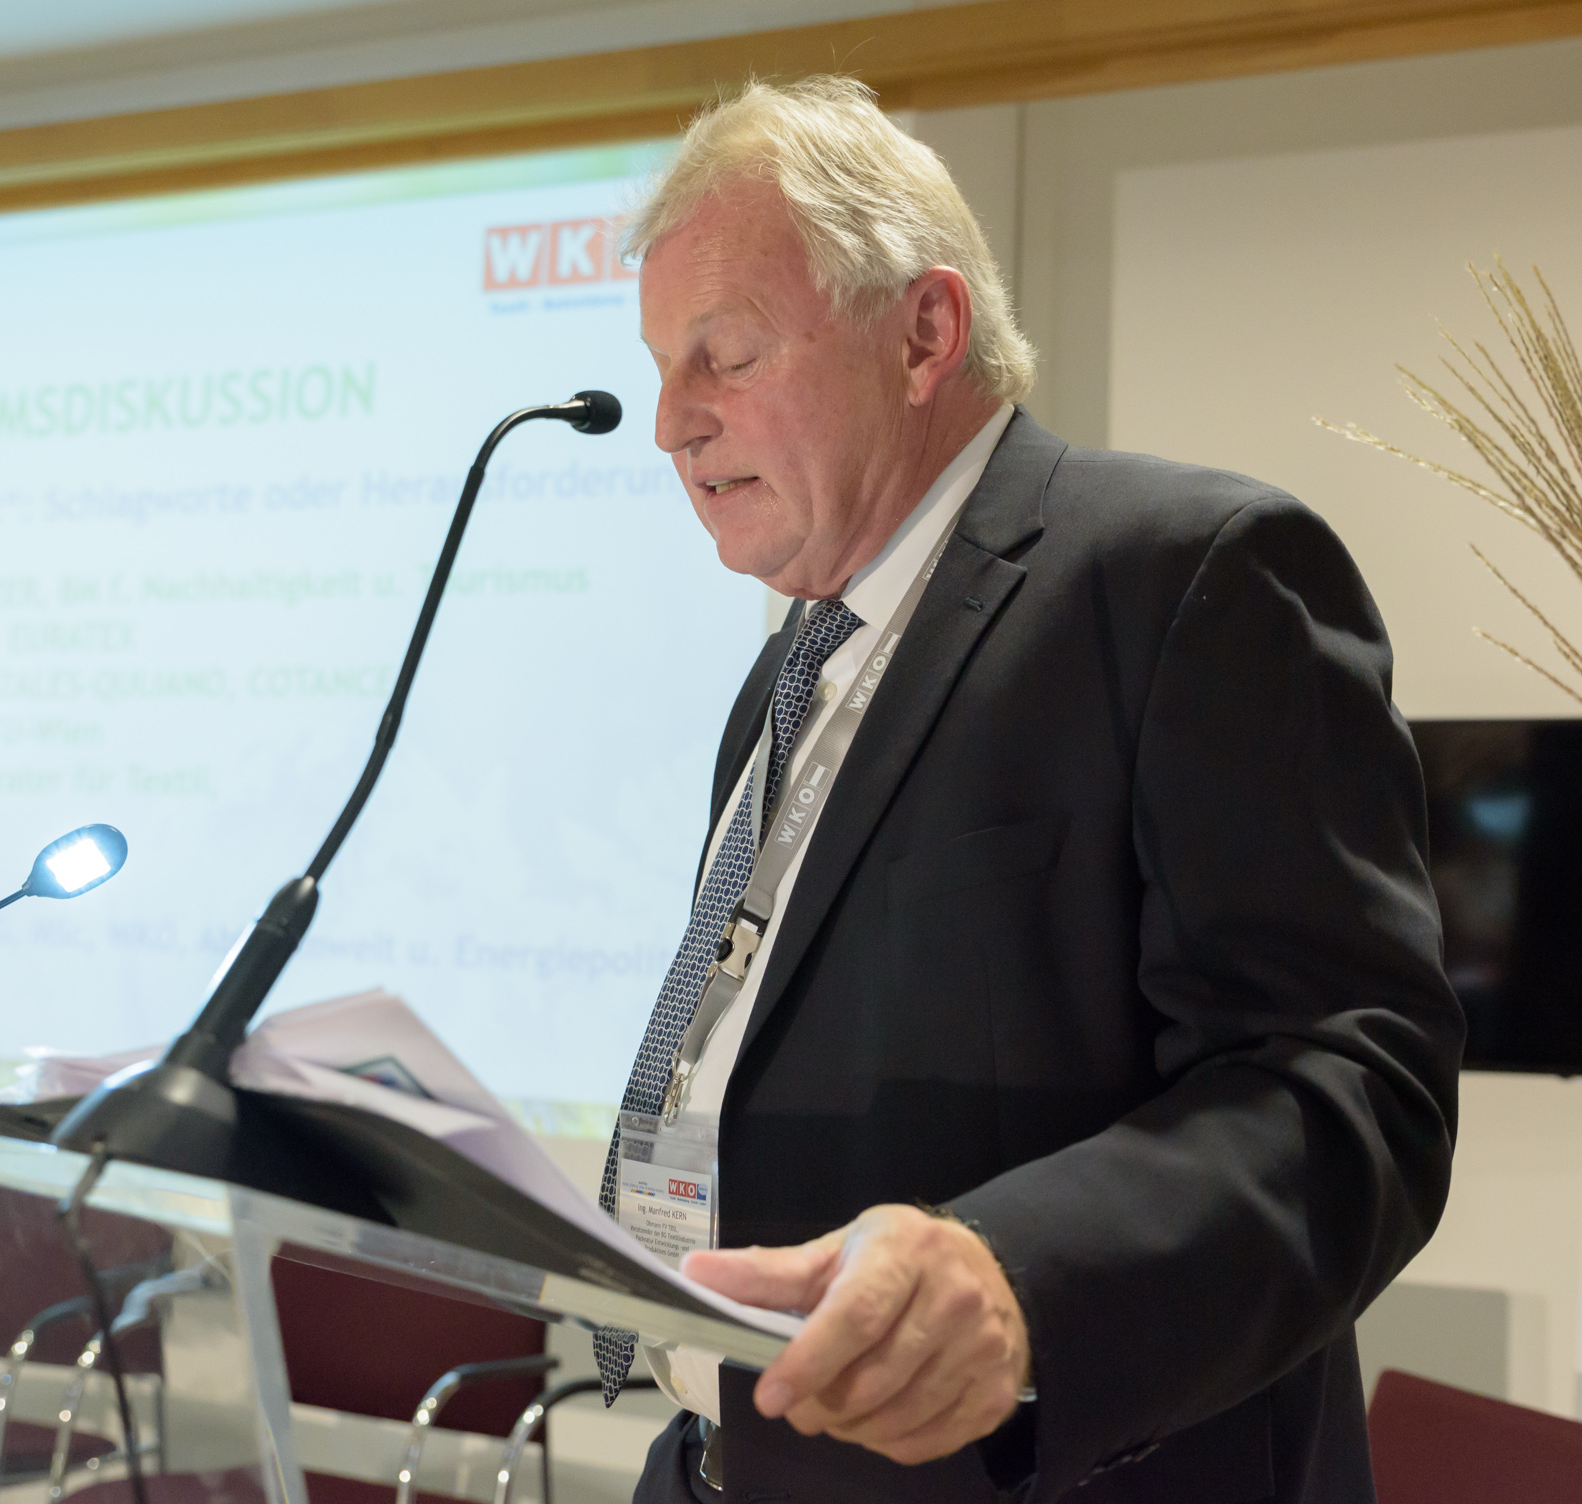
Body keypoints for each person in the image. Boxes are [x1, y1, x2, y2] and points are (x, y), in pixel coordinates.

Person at [596, 76, 1462, 1504]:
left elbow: (1350, 1086)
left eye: (725, 355)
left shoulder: (1190, 576)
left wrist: (1022, 1278)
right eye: (660, 366)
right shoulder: (788, 675)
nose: (670, 423)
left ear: (925, 333)